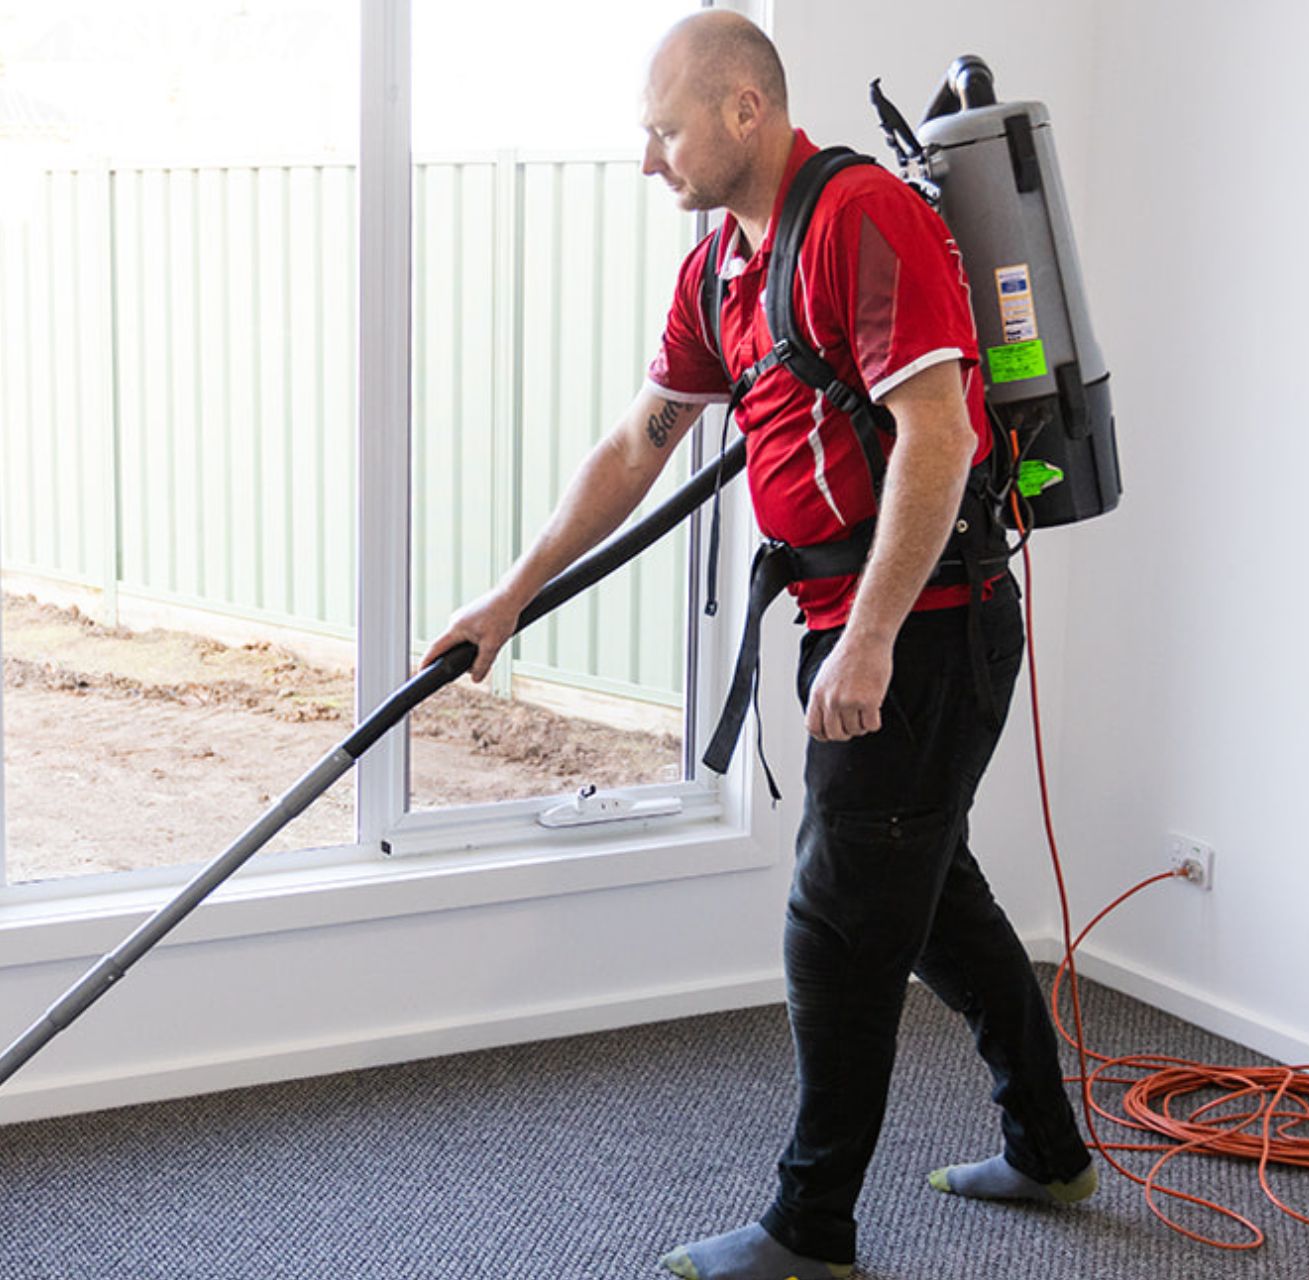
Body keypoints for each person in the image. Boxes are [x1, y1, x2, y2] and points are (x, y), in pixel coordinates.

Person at [420, 12, 1094, 1279]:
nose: (648, 161)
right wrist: (507, 598)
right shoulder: (721, 269)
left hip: (928, 630)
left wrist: (876, 638)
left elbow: (936, 434)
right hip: (855, 624)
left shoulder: (860, 222)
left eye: (664, 130)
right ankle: (1050, 1147)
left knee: (835, 920)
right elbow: (638, 443)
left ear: (744, 110)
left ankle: (810, 1226)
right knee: (932, 896)